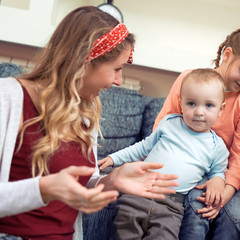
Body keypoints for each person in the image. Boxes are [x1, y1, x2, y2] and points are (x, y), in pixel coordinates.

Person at [0, 6, 178, 240]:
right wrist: (44, 188)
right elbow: (54, 186)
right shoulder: (9, 97)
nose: (119, 80)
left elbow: (84, 185)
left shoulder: (87, 110)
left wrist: (112, 179)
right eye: (116, 69)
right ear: (84, 61)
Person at [154, 25, 240, 239]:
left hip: (222, 172)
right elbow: (162, 127)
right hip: (184, 163)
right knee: (197, 205)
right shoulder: (188, 79)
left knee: (235, 213)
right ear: (227, 55)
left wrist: (225, 190)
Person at [98, 68, 229, 240]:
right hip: (140, 192)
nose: (199, 112)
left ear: (221, 109)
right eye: (191, 103)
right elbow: (143, 147)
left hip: (172, 206)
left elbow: (218, 172)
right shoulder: (169, 123)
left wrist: (218, 180)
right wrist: (114, 157)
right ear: (181, 103)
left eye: (209, 105)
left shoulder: (217, 146)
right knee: (123, 231)